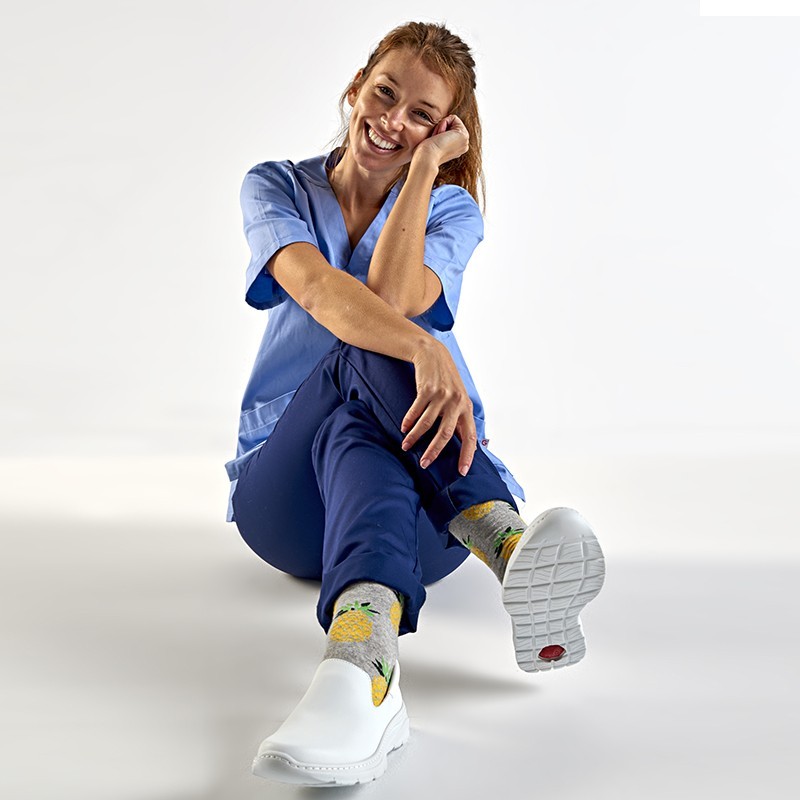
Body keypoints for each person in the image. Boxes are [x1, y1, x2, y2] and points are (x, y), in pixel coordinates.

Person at [224, 21, 606, 787]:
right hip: (285, 505)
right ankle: (506, 543)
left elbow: (395, 295)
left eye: (422, 116)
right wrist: (424, 349)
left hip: (425, 521)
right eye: (385, 93)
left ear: (443, 132)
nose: (393, 120)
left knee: (361, 422)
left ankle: (360, 672)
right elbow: (328, 295)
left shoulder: (451, 210)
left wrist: (426, 169)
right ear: (356, 87)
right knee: (363, 352)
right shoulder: (277, 186)